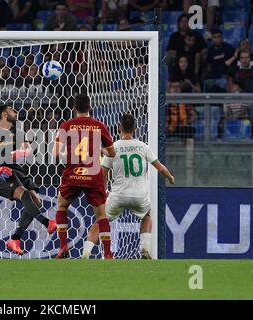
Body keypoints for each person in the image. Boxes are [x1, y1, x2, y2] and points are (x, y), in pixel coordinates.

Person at [81, 114, 175, 260]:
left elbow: (103, 174)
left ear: (119, 127)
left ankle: (86, 254)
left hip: (118, 195)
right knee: (147, 216)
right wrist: (170, 177)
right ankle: (144, 249)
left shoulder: (113, 148)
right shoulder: (143, 147)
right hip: (139, 195)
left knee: (100, 221)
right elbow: (160, 167)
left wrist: (103, 192)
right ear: (135, 129)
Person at [0, 103, 57, 255]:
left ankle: (15, 239)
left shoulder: (18, 131)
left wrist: (21, 153)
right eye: (11, 110)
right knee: (25, 194)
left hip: (16, 170)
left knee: (36, 201)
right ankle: (47, 223)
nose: (15, 112)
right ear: (3, 114)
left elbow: (27, 149)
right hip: (0, 174)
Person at [52, 94, 116, 259]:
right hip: (93, 175)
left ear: (74, 108)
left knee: (61, 206)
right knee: (101, 215)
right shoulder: (99, 125)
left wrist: (72, 158)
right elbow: (112, 153)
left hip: (72, 174)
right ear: (90, 107)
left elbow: (56, 153)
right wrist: (100, 150)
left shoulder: (66, 125)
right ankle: (108, 254)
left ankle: (63, 247)